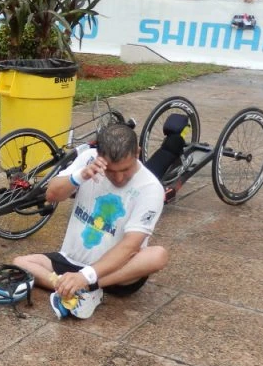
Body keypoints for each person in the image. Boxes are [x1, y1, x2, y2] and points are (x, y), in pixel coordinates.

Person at [13, 123, 169, 320]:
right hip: (72, 262)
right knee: (21, 263)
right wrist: (80, 176)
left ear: (137, 153)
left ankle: (88, 287)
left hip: (115, 272)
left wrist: (86, 277)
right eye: (111, 171)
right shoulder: (88, 159)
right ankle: (73, 288)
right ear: (98, 157)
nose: (119, 178)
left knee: (158, 255)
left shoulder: (150, 187)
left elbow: (131, 246)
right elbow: (52, 195)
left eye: (126, 169)